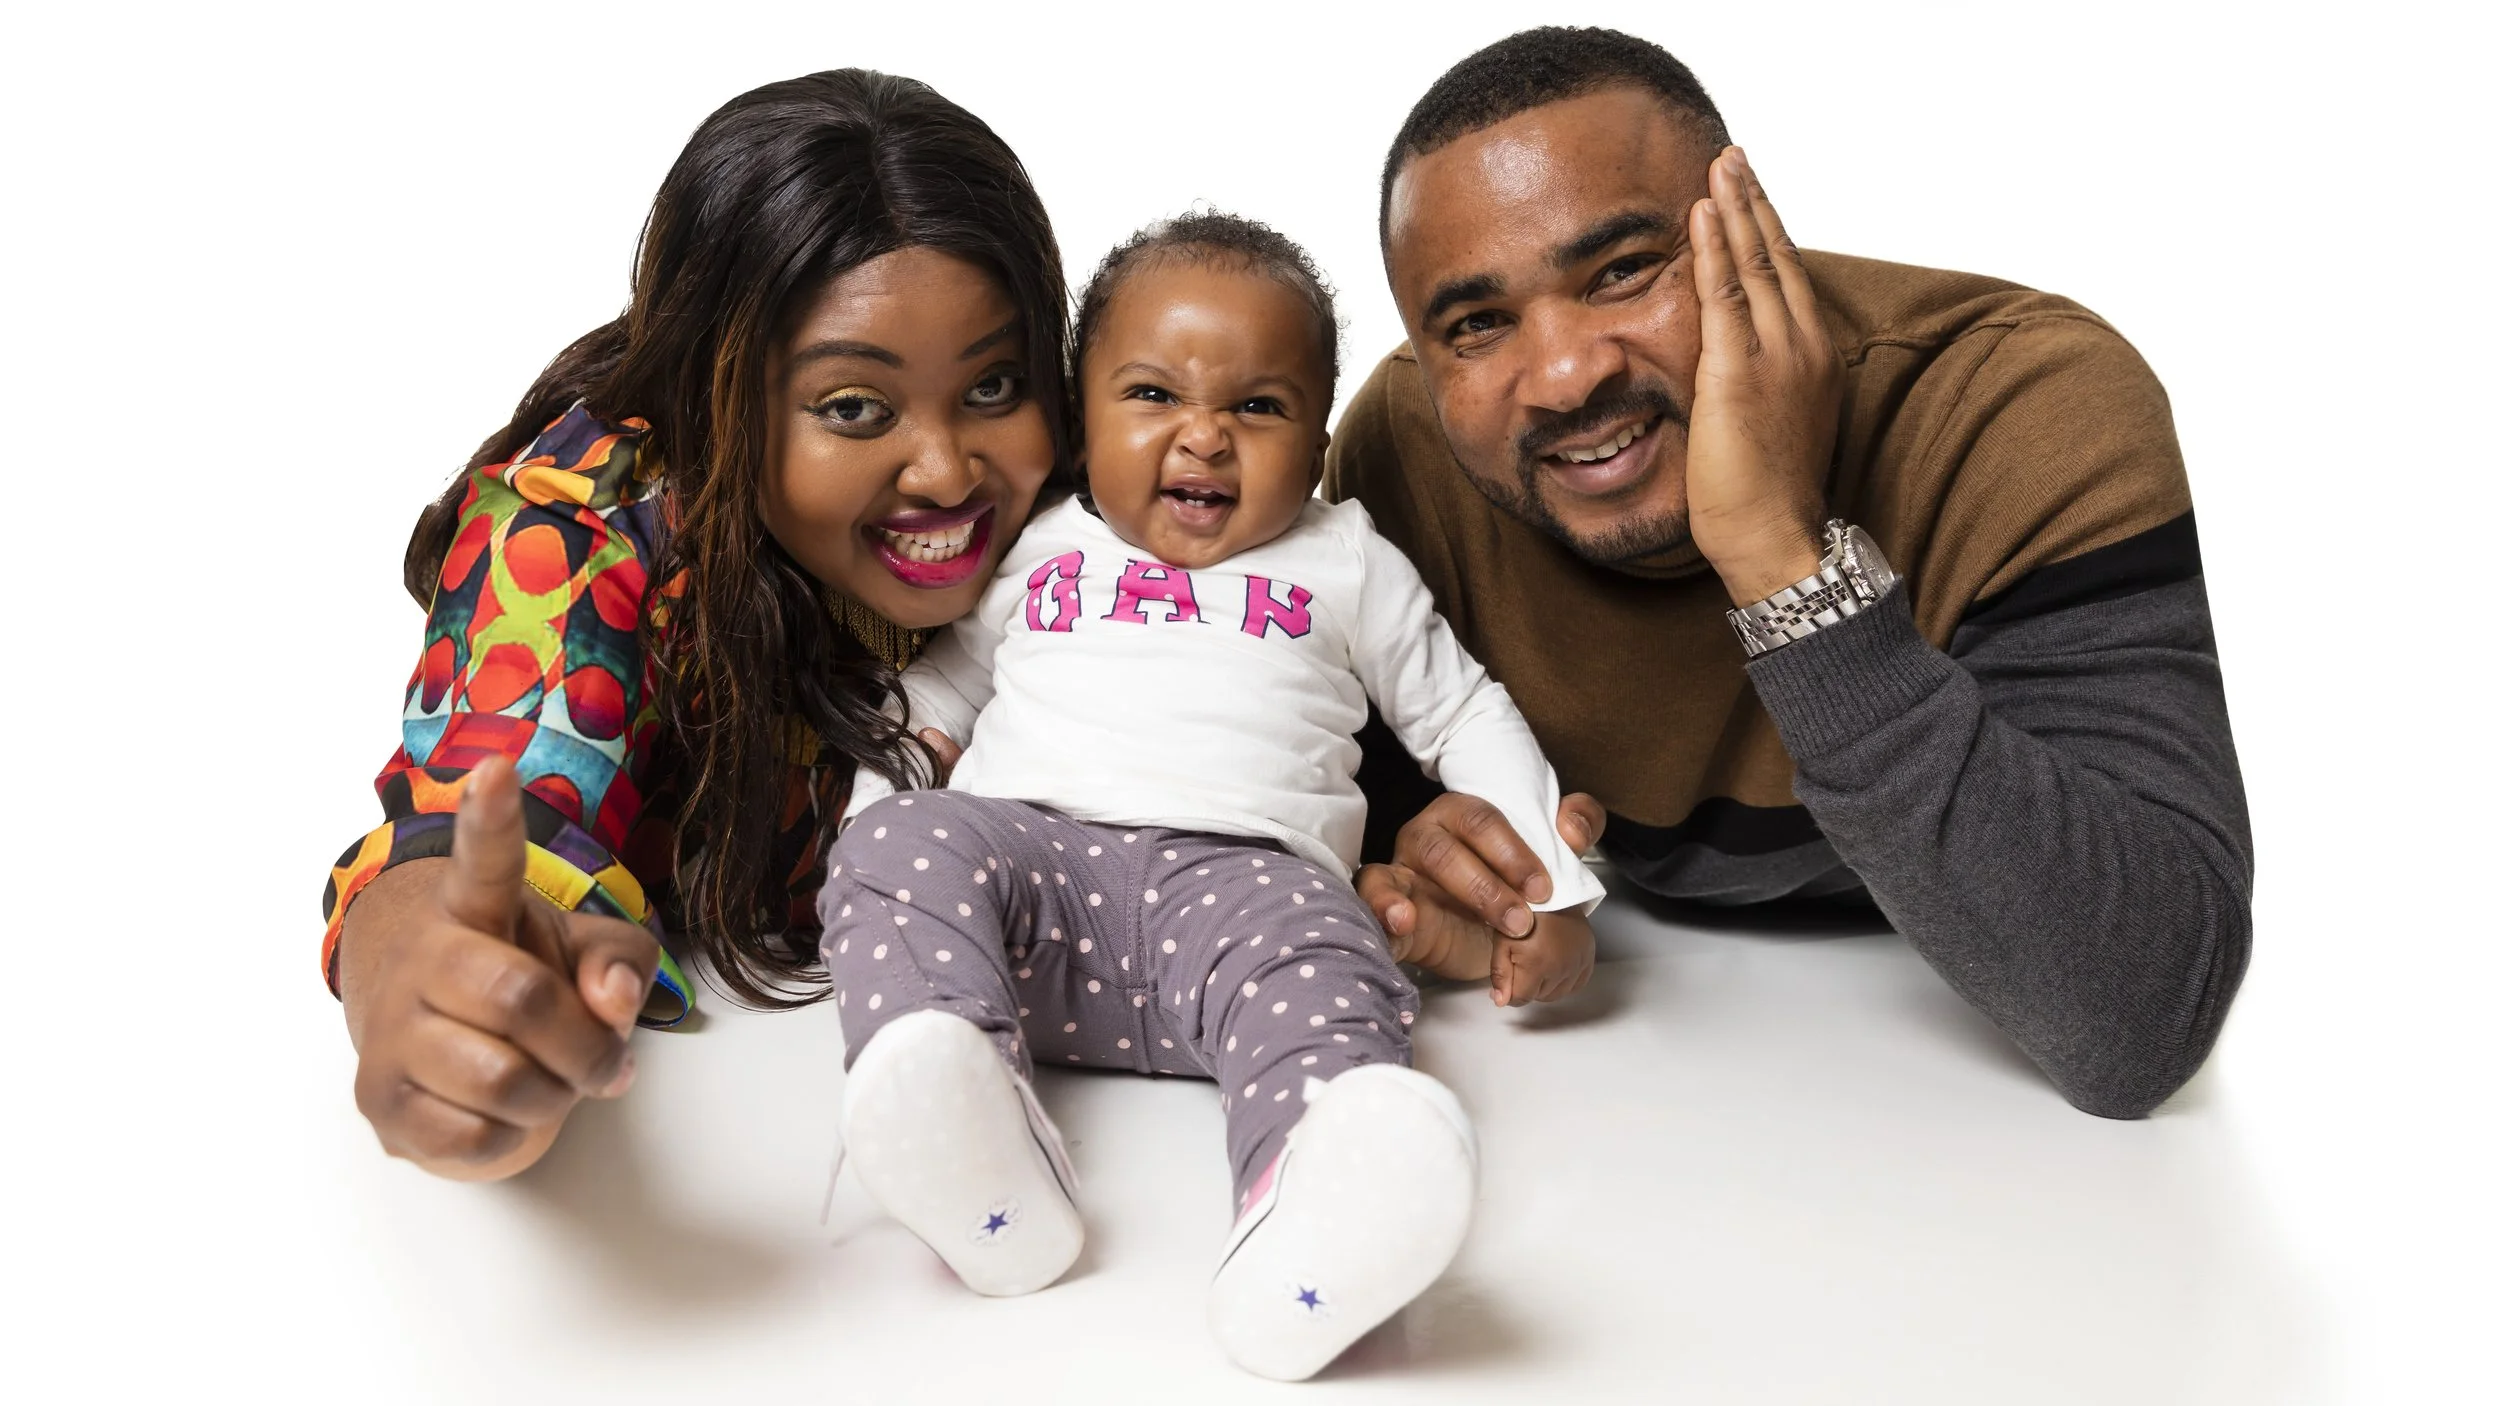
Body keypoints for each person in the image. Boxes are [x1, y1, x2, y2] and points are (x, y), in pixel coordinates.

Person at [1330, 27, 2253, 1119]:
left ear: (1750, 229)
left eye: (1624, 270)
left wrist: (1781, 558)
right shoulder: (1404, 447)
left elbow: (2141, 1017)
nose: (1564, 375)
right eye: (1477, 325)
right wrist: (1423, 862)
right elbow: (1341, 822)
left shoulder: (2023, 408)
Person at [817, 213, 1601, 1380]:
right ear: (1083, 416)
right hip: (1034, 886)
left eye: (1257, 407)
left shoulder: (1350, 560)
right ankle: (967, 1117)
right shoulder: (1041, 545)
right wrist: (878, 805)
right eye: (1151, 394)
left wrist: (1557, 889)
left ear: (1319, 434)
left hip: (1248, 899)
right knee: (903, 846)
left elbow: (1459, 713)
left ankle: (1308, 1221)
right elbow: (941, 688)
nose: (1203, 438)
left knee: (1329, 959)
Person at [321, 69, 1074, 1181]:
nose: (947, 468)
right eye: (853, 407)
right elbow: (472, 823)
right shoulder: (571, 538)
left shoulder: (1107, 491)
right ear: (716, 393)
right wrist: (434, 982)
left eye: (995, 383)